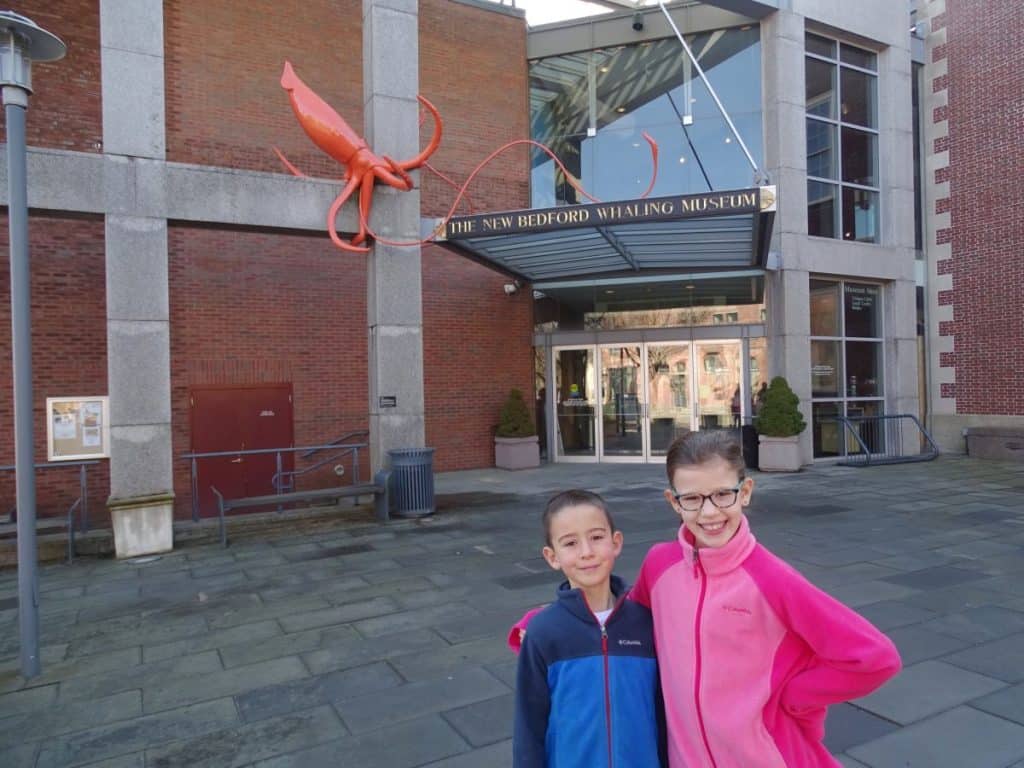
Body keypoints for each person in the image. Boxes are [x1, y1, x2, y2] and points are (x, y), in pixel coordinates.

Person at [511, 432, 900, 767]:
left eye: (722, 494)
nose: (710, 511)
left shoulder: (772, 579)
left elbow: (873, 658)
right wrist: (543, 619)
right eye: (693, 499)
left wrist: (790, 698)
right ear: (673, 501)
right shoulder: (660, 565)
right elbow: (622, 613)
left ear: (745, 492)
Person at [512, 489, 665, 768]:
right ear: (552, 556)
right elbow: (528, 725)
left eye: (596, 537)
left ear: (616, 542)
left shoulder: (646, 623)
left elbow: (664, 712)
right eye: (570, 543)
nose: (587, 552)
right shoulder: (543, 632)